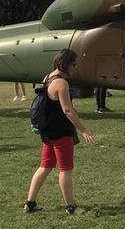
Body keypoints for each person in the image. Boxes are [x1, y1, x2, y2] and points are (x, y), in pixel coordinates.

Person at [24, 49, 97, 214]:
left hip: (48, 132)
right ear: (65, 64)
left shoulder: (48, 77)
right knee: (65, 169)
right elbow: (68, 111)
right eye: (74, 64)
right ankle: (71, 207)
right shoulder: (62, 83)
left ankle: (30, 203)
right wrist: (84, 130)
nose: (75, 67)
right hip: (60, 133)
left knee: (45, 166)